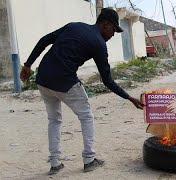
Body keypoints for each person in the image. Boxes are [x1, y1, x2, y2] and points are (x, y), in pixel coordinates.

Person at [19, 8, 144, 175]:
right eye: (113, 30)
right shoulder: (99, 44)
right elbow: (107, 80)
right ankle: (89, 159)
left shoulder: (74, 26)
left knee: (54, 119)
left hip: (42, 78)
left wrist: (28, 64)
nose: (113, 34)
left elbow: (45, 40)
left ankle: (55, 163)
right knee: (86, 116)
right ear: (105, 24)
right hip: (64, 81)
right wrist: (129, 98)